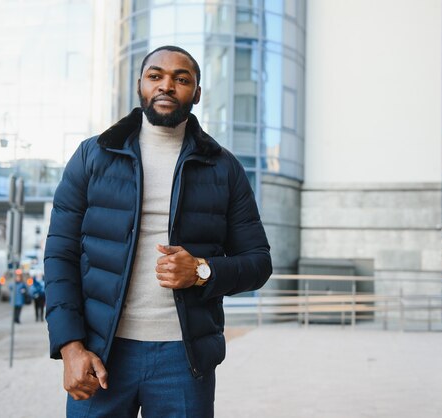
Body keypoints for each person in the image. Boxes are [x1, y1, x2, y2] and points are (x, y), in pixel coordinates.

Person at [44, 45, 272, 417]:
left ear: (196, 93)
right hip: (101, 354)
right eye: (156, 76)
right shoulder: (92, 155)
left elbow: (259, 263)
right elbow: (60, 256)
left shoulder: (224, 168)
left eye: (181, 79)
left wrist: (201, 270)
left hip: (183, 359)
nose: (167, 86)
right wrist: (70, 346)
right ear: (140, 85)